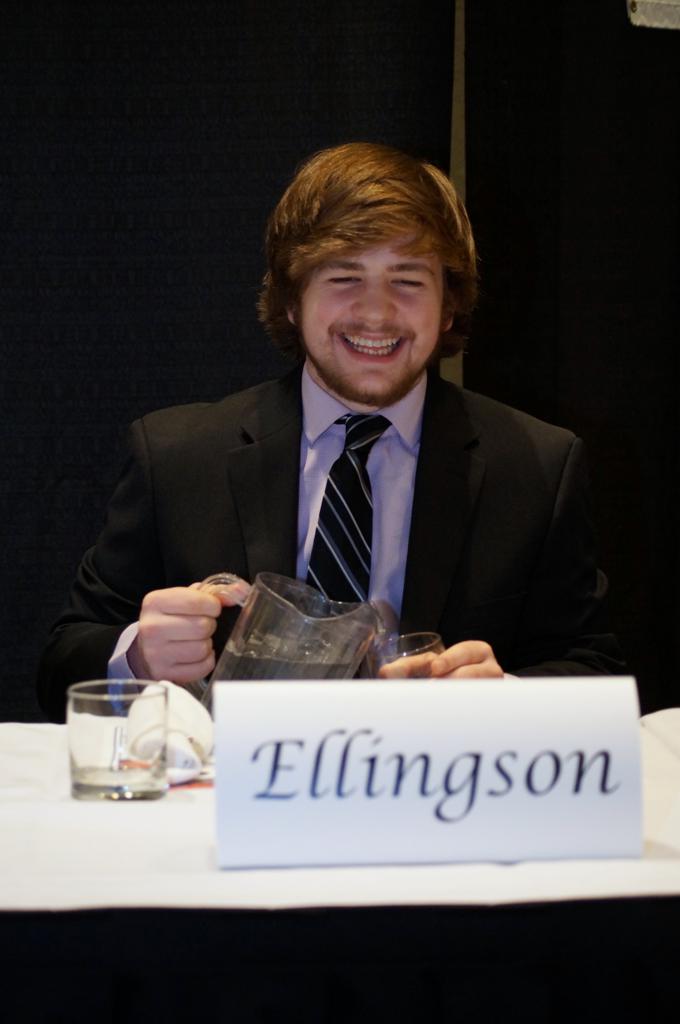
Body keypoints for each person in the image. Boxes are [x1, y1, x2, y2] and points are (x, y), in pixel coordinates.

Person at [37, 142, 623, 721]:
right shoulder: (176, 456)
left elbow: (593, 669)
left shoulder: (538, 465)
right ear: (292, 300)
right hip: (228, 781)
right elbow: (62, 662)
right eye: (344, 277)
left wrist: (507, 698)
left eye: (408, 280)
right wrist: (137, 656)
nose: (376, 313)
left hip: (430, 780)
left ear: (448, 307)